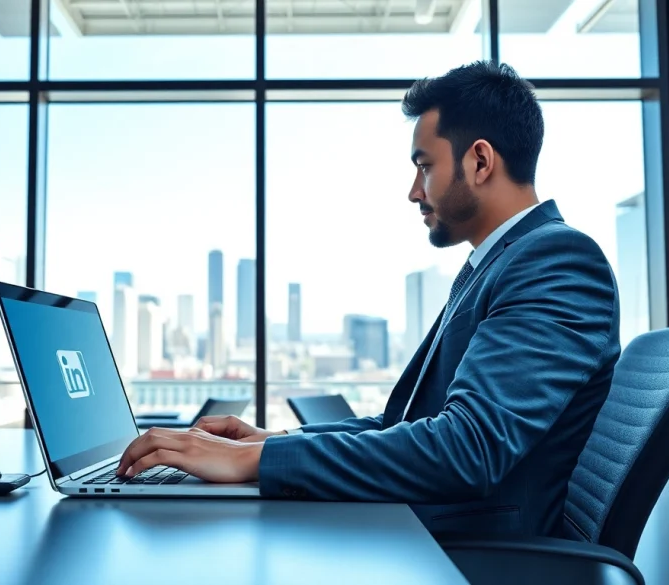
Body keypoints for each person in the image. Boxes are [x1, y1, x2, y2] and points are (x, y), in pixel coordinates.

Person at [116, 61, 621, 538]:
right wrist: (270, 443)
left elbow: (467, 450)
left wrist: (250, 463)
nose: (413, 192)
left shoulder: (555, 260)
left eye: (424, 167)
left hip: (473, 552)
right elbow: (402, 425)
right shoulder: (499, 262)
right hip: (431, 531)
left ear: (480, 160)